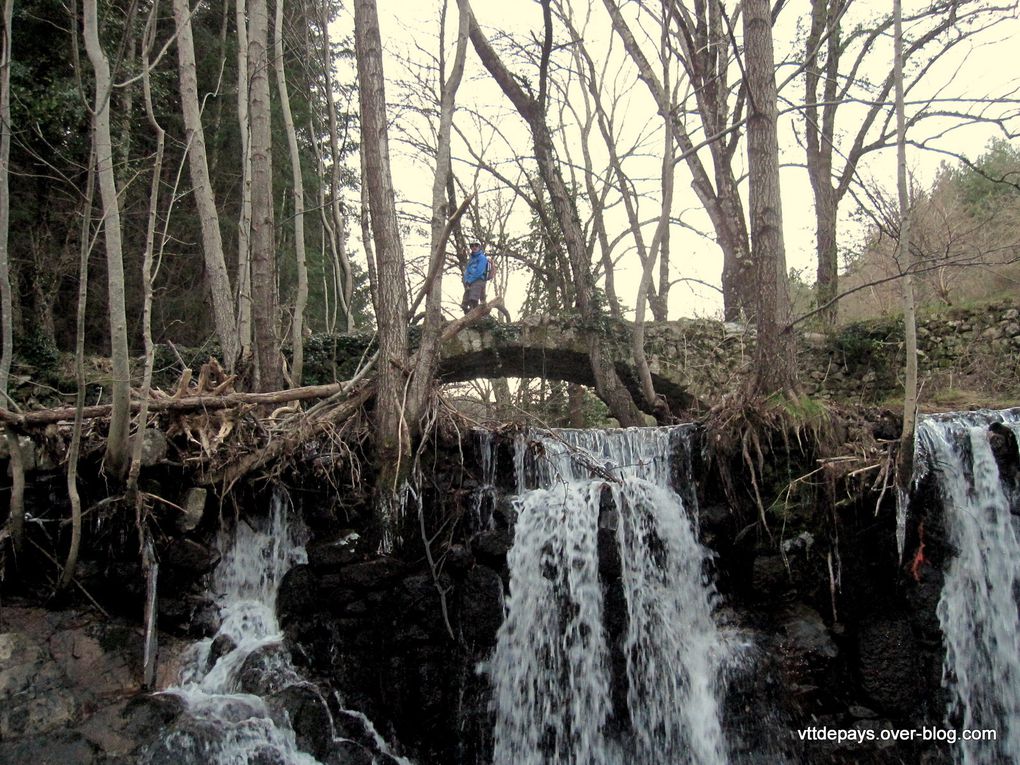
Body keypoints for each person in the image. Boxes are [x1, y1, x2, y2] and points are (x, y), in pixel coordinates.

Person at [462, 241, 489, 314]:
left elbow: (479, 272)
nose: (474, 247)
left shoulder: (482, 258)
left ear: (479, 247)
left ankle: (477, 316)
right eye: (472, 246)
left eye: (476, 245)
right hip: (470, 282)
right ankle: (470, 315)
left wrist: (470, 280)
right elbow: (467, 270)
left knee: (473, 299)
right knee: (464, 303)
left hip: (479, 280)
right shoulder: (471, 259)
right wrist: (466, 280)